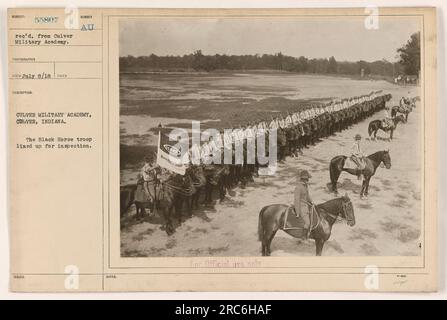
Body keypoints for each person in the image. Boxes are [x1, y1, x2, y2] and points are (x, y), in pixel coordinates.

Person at [294, 170, 313, 239]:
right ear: (303, 179)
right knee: (307, 223)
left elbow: (307, 196)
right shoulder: (298, 187)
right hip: (301, 206)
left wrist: (311, 202)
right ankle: (303, 237)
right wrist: (297, 212)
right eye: (306, 179)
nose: (307, 180)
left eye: (307, 179)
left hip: (306, 205)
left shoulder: (305, 186)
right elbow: (296, 200)